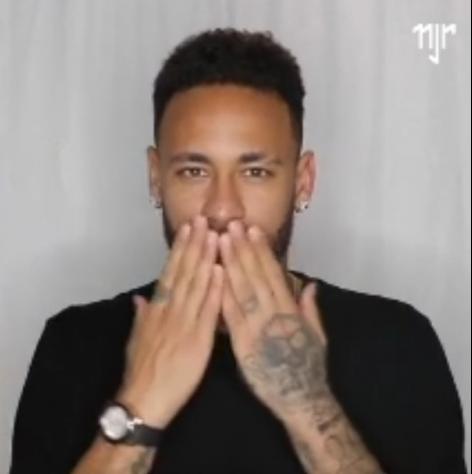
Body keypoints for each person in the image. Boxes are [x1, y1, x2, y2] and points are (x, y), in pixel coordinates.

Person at [9, 29, 466, 474]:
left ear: (303, 181)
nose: (223, 209)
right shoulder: (74, 344)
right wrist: (141, 403)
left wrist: (308, 405)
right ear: (156, 178)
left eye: (255, 172)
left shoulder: (398, 342)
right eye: (194, 171)